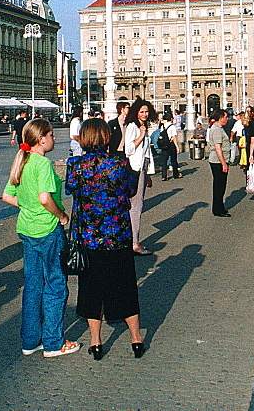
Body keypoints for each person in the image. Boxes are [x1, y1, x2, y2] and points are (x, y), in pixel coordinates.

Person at [64, 119, 145, 359]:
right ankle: (136, 339)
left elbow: (71, 189)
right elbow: (131, 189)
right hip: (118, 235)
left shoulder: (75, 165)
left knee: (91, 289)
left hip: (89, 237)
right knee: (125, 286)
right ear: (107, 138)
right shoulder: (119, 164)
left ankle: (96, 342)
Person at [1, 118, 80, 357]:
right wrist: (62, 216)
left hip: (26, 229)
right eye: (52, 135)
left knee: (33, 285)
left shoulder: (22, 162)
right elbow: (45, 198)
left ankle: (30, 340)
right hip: (47, 229)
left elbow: (7, 196)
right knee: (56, 285)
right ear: (41, 139)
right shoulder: (43, 164)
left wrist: (28, 207)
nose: (55, 138)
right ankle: (54, 342)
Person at [124, 98, 156, 256]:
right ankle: (134, 242)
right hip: (134, 170)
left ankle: (132, 240)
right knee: (136, 206)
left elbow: (147, 152)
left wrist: (149, 173)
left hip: (142, 168)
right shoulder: (132, 126)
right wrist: (141, 136)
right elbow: (128, 149)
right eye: (142, 111)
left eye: (146, 111)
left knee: (136, 205)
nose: (144, 114)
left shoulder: (144, 126)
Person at [206, 109, 232, 217]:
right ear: (220, 118)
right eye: (226, 117)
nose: (227, 119)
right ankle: (217, 209)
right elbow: (218, 148)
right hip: (218, 161)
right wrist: (224, 163)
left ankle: (220, 206)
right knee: (219, 185)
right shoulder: (217, 130)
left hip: (219, 160)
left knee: (221, 185)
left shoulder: (218, 128)